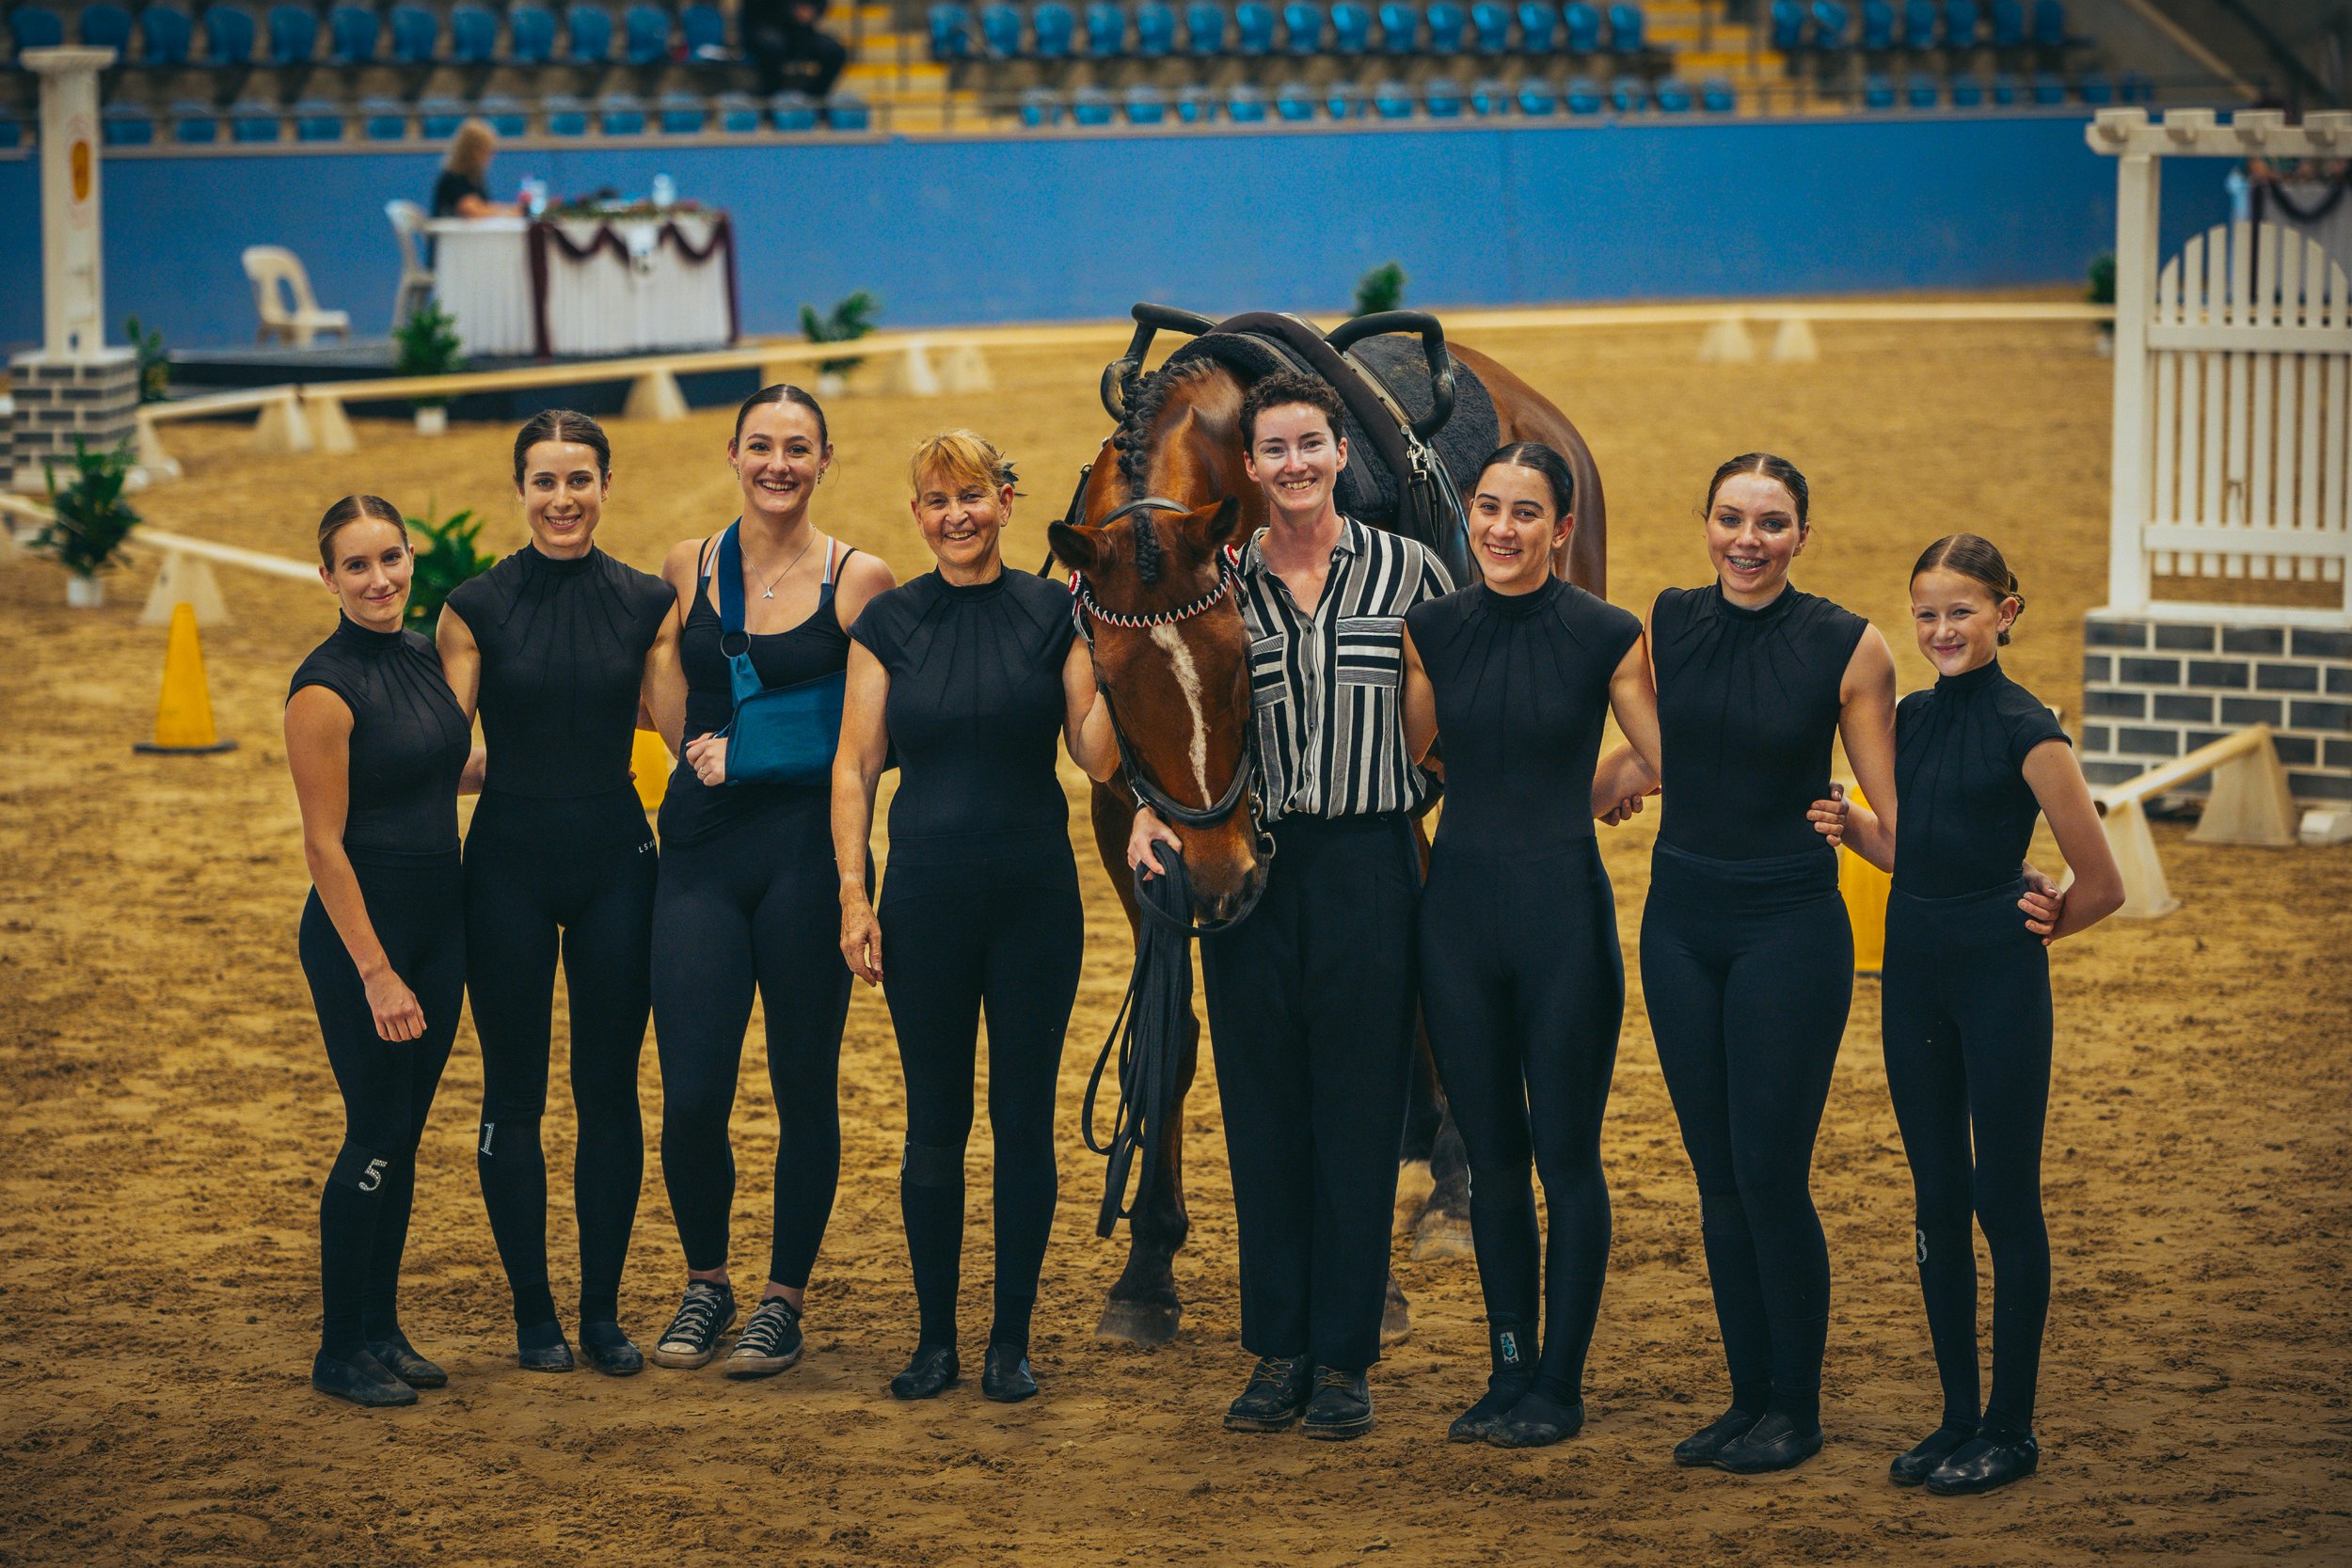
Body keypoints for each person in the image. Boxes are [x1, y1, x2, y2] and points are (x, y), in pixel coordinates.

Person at [1128, 371, 1453, 1440]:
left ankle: (1346, 1356)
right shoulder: (1213, 584)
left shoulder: (1409, 571)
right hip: (1256, 867)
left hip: (1370, 860)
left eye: (1312, 443)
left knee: (1359, 1113)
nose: (1296, 464)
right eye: (1274, 451)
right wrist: (1145, 805)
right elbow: (1163, 696)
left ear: (1341, 452)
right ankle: (1276, 1350)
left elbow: (1457, 719)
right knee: (1263, 1113)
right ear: (1251, 469)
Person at [1816, 534, 2122, 1496]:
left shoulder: (2028, 729)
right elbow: (1913, 850)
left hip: (1996, 979)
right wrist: (1852, 827)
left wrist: (2044, 917)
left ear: (2005, 613)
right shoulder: (1906, 716)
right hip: (1912, 973)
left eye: (1961, 610)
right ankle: (1955, 1413)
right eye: (1926, 613)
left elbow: (2104, 879)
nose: (1941, 629)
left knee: (2003, 1197)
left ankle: (2011, 1424)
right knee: (1937, 1196)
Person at [834, 431, 1119, 1402]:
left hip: (1035, 898)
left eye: (973, 495)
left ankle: (1009, 1341)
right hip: (923, 899)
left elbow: (1094, 754)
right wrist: (853, 891)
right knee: (934, 1123)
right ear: (917, 515)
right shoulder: (888, 623)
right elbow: (855, 767)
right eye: (936, 499)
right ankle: (933, 1339)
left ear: (1006, 500)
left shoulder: (1055, 612)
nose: (955, 514)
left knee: (1021, 1121)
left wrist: (1118, 658)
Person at [1398, 442, 1663, 1449]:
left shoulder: (1607, 634)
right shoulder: (1430, 629)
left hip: (1563, 924)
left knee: (1566, 1157)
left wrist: (1595, 788)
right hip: (1457, 922)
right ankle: (1507, 1367)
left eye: (1525, 513)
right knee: (1493, 1161)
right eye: (1486, 508)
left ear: (1561, 527)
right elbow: (1416, 747)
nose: (1501, 529)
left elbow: (1663, 752)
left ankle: (1560, 1380)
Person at [1635, 453, 1896, 1474]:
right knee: (1715, 1178)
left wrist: (1866, 829)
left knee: (1769, 1171)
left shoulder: (1849, 644)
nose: (1749, 540)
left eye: (1772, 522)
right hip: (1678, 926)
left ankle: (1796, 1404)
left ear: (1801, 535)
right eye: (1731, 518)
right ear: (1704, 523)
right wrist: (1580, 792)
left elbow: (1894, 816)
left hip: (1788, 928)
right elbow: (1666, 755)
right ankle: (1746, 1396)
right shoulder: (1668, 618)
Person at [645, 385, 893, 1378]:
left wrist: (757, 753)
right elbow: (662, 667)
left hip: (803, 853)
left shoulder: (858, 575)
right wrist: (690, 744)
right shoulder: (687, 564)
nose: (777, 463)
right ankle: (705, 1281)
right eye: (760, 446)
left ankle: (781, 1299)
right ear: (734, 454)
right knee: (693, 1088)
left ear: (825, 461)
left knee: (802, 1083)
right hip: (700, 853)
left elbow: (878, 731)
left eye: (798, 448)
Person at [437, 411, 683, 1375]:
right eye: (544, 481)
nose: (562, 499)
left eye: (579, 479)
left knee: (609, 1090)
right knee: (514, 1090)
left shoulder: (644, 602)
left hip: (617, 860)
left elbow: (684, 735)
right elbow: (444, 748)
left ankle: (603, 1312)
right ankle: (534, 1312)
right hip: (504, 865)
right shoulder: (474, 606)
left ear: (605, 485)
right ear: (521, 491)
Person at [287, 495, 475, 1407]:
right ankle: (337, 1346)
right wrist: (376, 971)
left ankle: (381, 1326)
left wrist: (578, 747)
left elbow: (445, 766)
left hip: (440, 928)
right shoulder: (322, 688)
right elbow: (324, 846)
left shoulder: (418, 654)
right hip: (365, 941)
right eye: (355, 566)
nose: (379, 579)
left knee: (402, 1136)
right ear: (327, 578)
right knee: (371, 1131)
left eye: (390, 558)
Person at [741, 0, 848, 102]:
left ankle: (815, 98)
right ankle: (771, 99)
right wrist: (791, 11)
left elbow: (820, 3)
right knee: (772, 46)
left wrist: (813, 10)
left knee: (835, 51)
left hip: (800, 33)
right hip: (764, 28)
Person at [430, 119, 516, 219]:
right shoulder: (452, 179)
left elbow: (484, 206)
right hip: (451, 234)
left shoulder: (474, 178)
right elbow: (472, 211)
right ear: (473, 152)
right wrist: (507, 211)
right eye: (487, 151)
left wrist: (509, 209)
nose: (491, 157)